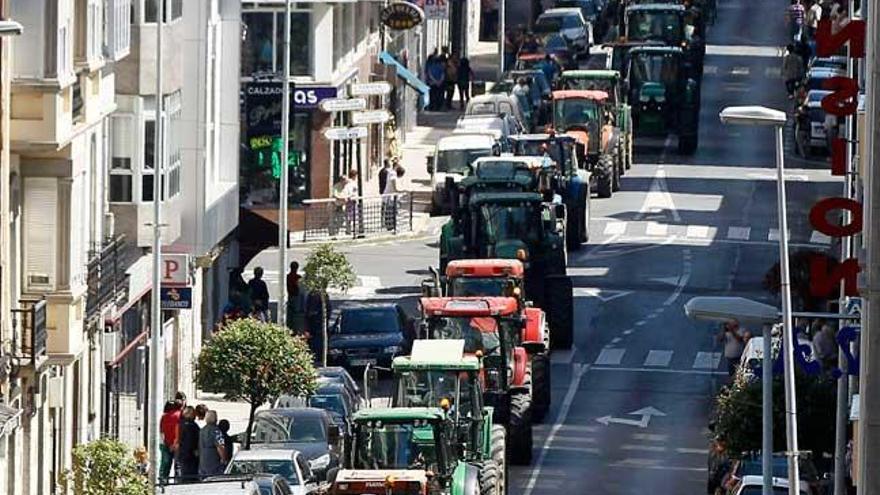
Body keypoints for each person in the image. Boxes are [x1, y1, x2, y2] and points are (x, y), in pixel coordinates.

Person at [199, 410, 228, 478]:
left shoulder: (202, 430)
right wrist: (224, 459)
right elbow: (220, 446)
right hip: (214, 462)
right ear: (215, 419)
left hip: (203, 463)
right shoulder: (216, 431)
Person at [176, 406, 200, 482]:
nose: (195, 416)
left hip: (181, 453)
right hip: (190, 456)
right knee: (190, 477)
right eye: (194, 414)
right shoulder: (191, 425)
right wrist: (195, 450)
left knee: (184, 475)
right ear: (189, 414)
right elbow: (191, 440)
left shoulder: (180, 423)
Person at [159, 400, 181, 481]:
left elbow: (162, 431)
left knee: (165, 464)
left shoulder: (164, 416)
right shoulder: (180, 415)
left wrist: (166, 443)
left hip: (166, 443)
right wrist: (175, 443)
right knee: (178, 465)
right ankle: (177, 482)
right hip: (177, 444)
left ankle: (163, 481)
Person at [383, 166, 406, 231]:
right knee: (390, 212)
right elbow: (395, 189)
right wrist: (404, 191)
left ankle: (392, 225)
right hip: (389, 198)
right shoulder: (393, 177)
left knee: (392, 212)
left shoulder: (392, 175)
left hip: (391, 197)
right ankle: (390, 226)